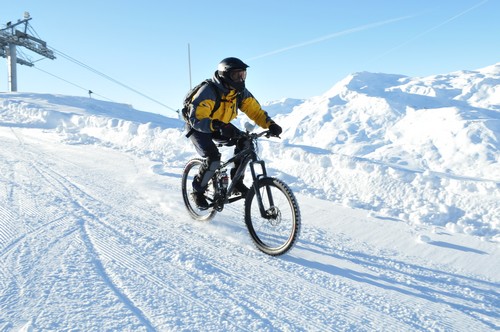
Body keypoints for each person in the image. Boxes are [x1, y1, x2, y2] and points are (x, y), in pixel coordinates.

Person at [185, 57, 283, 209]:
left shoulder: (239, 92)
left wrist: (271, 124)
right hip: (199, 127)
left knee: (245, 142)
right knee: (213, 158)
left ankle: (236, 183)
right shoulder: (209, 91)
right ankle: (198, 191)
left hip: (220, 125)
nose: (241, 79)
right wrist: (216, 125)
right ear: (225, 75)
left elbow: (255, 111)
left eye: (243, 75)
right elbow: (197, 118)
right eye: (236, 75)